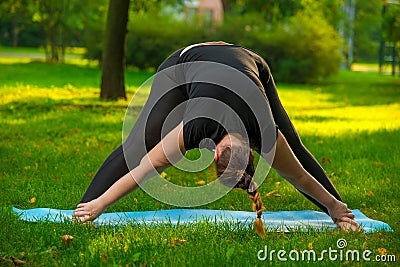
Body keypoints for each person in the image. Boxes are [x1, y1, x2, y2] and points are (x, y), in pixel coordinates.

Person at [73, 42, 360, 236]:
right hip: (184, 64)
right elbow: (147, 164)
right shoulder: (198, 125)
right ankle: (84, 210)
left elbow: (299, 175)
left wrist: (334, 206)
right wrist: (100, 204)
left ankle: (343, 213)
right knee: (140, 143)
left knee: (294, 146)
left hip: (250, 62)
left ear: (253, 149)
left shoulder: (264, 131)